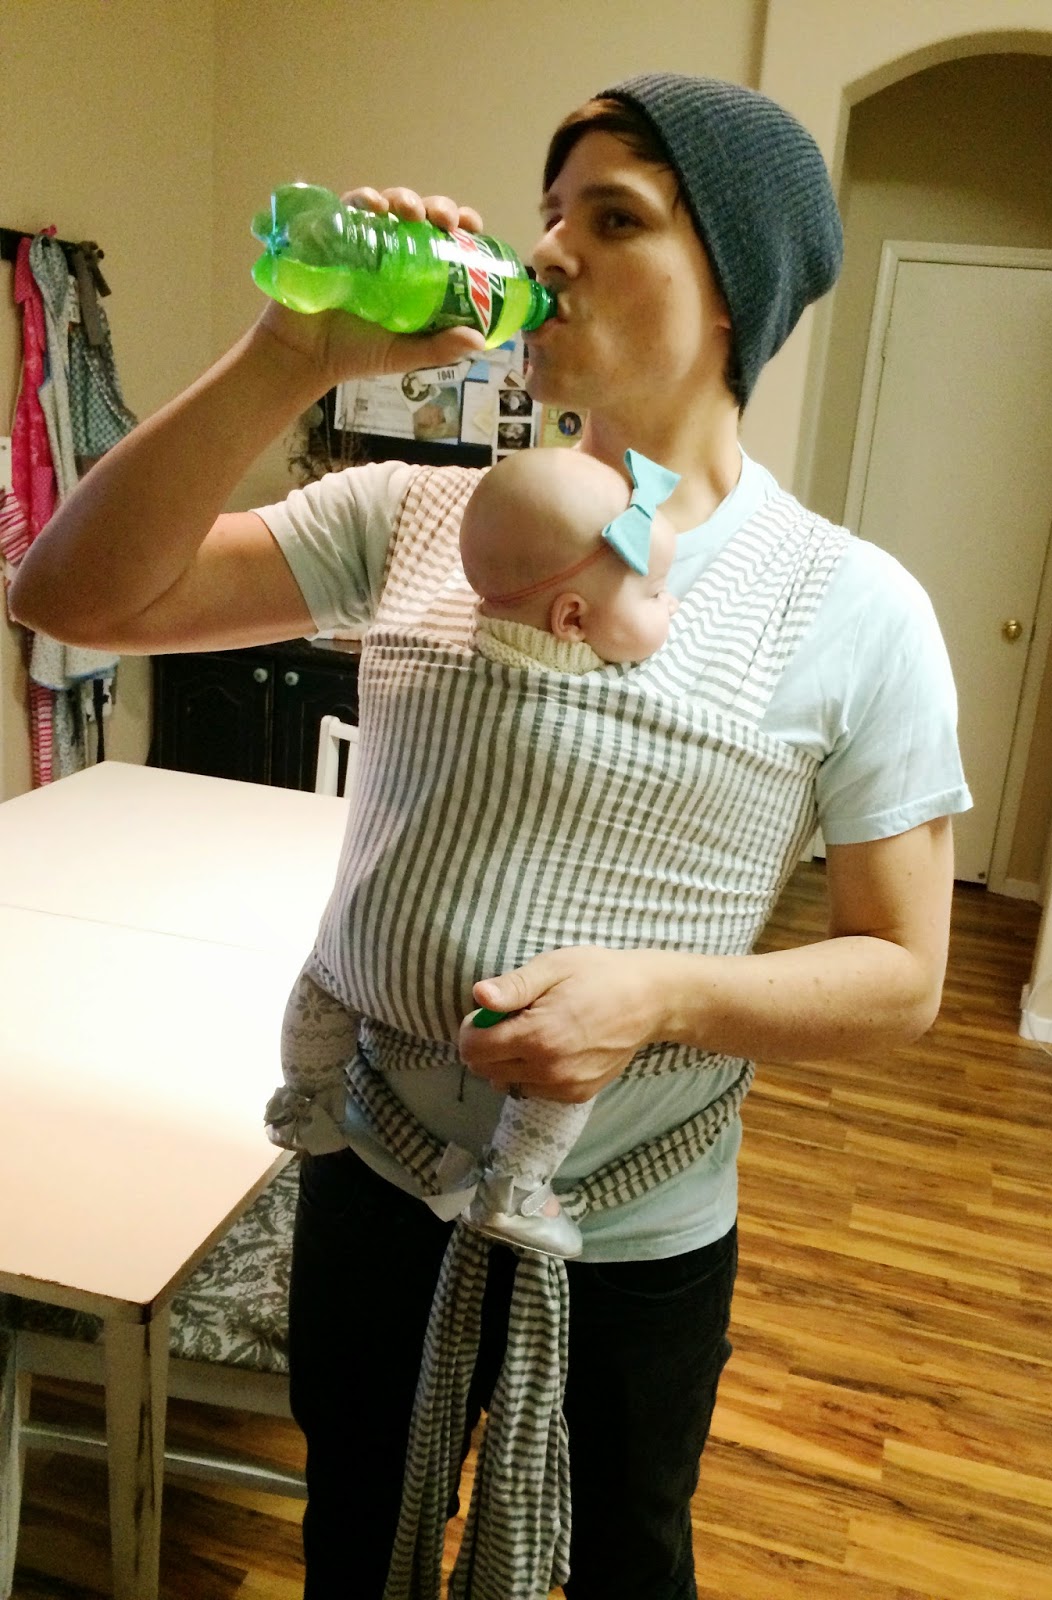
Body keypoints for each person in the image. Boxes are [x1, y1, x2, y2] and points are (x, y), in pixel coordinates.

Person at [9, 71, 971, 1600]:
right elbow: (69, 597)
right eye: (549, 211)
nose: (551, 250)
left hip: (632, 1236)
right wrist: (287, 354)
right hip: (372, 1180)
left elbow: (902, 976)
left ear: (739, 286)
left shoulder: (856, 610)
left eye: (616, 218)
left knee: (623, 1561)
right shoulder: (417, 520)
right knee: (355, 1537)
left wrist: (659, 996)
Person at [268, 443, 680, 1262]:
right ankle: (515, 1186)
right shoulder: (630, 707)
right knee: (559, 1074)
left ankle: (306, 1100)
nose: (674, 608)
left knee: (321, 983)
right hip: (504, 983)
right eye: (657, 592)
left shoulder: (429, 661)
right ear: (572, 620)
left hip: (373, 944)